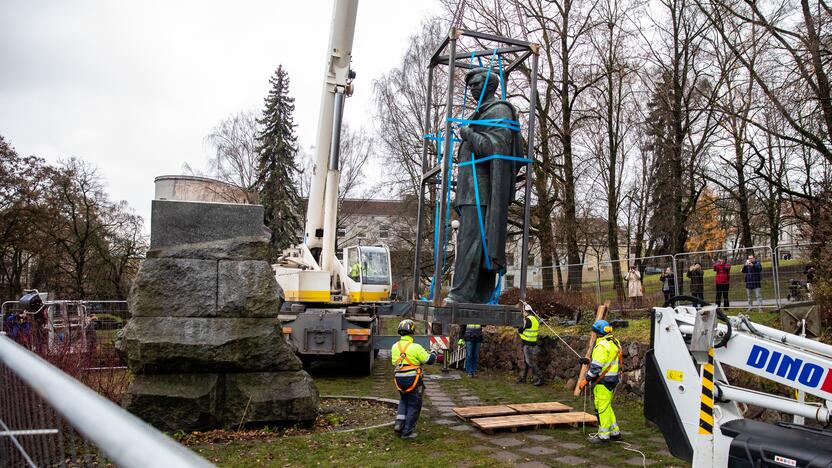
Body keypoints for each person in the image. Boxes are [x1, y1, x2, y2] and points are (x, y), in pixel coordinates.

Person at [446, 67, 523, 304]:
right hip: (470, 189)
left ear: (490, 86)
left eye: (476, 84)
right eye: (469, 86)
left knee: (470, 240)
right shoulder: (480, 113)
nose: (471, 89)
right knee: (468, 241)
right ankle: (474, 293)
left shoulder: (499, 110)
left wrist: (468, 134)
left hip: (482, 191)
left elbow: (494, 149)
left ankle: (462, 293)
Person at [578, 320, 623, 444]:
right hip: (612, 379)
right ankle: (615, 432)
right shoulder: (614, 342)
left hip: (603, 380)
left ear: (598, 332)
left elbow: (596, 368)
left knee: (601, 408)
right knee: (607, 406)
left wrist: (586, 380)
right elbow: (606, 361)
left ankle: (603, 436)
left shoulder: (602, 345)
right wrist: (589, 360)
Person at [391, 319, 437, 440]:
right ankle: (407, 432)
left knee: (403, 400)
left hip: (399, 379)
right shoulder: (415, 347)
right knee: (414, 404)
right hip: (413, 379)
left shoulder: (395, 347)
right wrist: (433, 352)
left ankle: (399, 424)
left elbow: (393, 362)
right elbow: (429, 360)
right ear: (412, 332)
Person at [516, 304, 543, 386]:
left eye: (523, 311)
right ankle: (523, 378)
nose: (523, 313)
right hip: (532, 342)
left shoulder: (527, 320)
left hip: (527, 344)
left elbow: (521, 329)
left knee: (529, 362)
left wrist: (518, 328)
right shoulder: (534, 319)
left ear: (526, 312)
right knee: (527, 362)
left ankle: (540, 378)